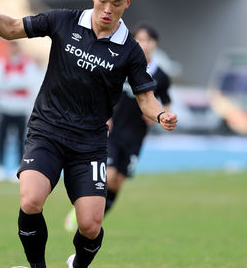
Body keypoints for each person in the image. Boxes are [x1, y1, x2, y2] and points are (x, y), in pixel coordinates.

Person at [0, 0, 177, 268]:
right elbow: (10, 29)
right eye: (104, 0)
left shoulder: (129, 50)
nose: (108, 10)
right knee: (30, 200)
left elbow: (145, 97)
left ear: (128, 3)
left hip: (90, 142)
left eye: (118, 3)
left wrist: (162, 114)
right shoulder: (63, 21)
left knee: (91, 225)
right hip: (47, 131)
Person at [63, 24, 171, 231]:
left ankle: (94, 217)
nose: (144, 44)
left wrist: (160, 116)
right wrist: (103, 113)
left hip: (136, 135)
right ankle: (82, 212)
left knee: (117, 182)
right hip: (113, 131)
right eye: (139, 39)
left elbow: (166, 100)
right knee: (109, 174)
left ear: (155, 44)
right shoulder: (123, 64)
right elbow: (103, 88)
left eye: (148, 40)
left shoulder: (161, 76)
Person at [0, 40, 39, 181]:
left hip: (20, 109)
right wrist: (17, 83)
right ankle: (0, 166)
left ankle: (19, 166)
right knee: (1, 138)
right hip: (4, 108)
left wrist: (8, 82)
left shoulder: (28, 64)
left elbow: (30, 83)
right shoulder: (0, 63)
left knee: (20, 140)